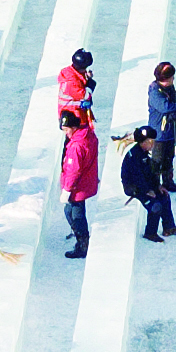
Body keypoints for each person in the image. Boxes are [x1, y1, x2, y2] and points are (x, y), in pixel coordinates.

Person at [121, 125, 176, 242]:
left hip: (145, 185)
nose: (153, 144)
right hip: (135, 188)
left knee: (164, 196)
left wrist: (157, 186)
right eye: (151, 142)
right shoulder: (134, 156)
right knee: (155, 205)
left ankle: (169, 226)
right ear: (144, 142)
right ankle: (150, 232)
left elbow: (150, 174)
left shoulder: (144, 154)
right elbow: (137, 177)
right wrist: (147, 191)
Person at [60, 107, 99, 259]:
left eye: (66, 129)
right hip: (86, 180)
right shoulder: (88, 135)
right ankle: (82, 239)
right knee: (74, 212)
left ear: (74, 127)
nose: (66, 133)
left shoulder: (76, 146)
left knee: (74, 213)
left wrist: (67, 190)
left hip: (77, 187)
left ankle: (82, 243)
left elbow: (73, 170)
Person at [148, 60, 176, 191]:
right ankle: (154, 185)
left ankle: (168, 181)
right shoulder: (155, 92)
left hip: (170, 131)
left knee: (168, 159)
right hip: (159, 133)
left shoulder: (170, 88)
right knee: (157, 161)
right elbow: (165, 107)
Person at [57, 47, 95, 124]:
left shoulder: (71, 72)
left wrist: (86, 78)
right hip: (72, 115)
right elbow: (84, 96)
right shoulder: (71, 82)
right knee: (80, 135)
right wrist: (90, 85)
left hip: (76, 111)